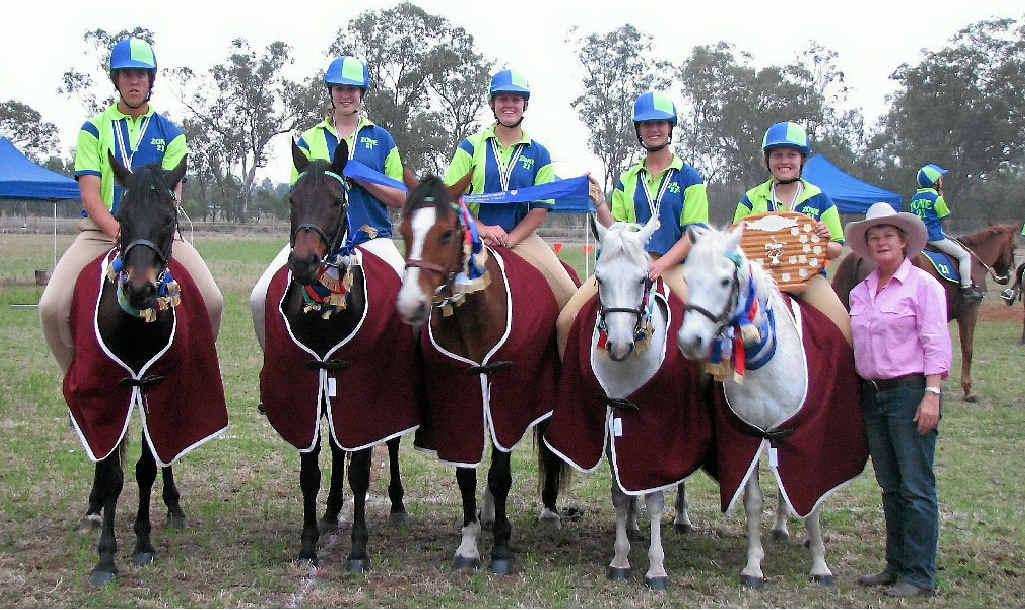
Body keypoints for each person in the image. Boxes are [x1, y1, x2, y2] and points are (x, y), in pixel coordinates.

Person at [39, 38, 222, 373]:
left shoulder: (172, 134)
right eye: (126, 74)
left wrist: (148, 232)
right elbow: (90, 194)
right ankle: (76, 379)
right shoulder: (94, 130)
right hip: (101, 231)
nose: (134, 82)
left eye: (141, 75)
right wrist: (119, 231)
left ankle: (193, 375)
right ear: (116, 79)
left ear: (151, 80)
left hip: (158, 236)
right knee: (51, 307)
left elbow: (173, 197)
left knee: (212, 302)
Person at [249, 56, 407, 349]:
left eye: (353, 89)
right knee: (259, 297)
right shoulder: (310, 139)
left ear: (362, 93)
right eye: (339, 88)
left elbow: (400, 197)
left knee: (408, 297)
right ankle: (275, 365)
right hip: (318, 239)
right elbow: (298, 193)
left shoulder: (382, 139)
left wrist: (361, 178)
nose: (346, 95)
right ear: (330, 92)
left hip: (373, 238)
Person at [845, 201, 951, 598]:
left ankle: (919, 574)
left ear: (903, 241)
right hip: (873, 396)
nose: (881, 242)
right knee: (890, 484)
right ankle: (896, 564)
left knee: (916, 485)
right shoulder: (860, 293)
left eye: (888, 235)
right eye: (874, 237)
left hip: (910, 393)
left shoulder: (924, 287)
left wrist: (932, 394)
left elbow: (935, 342)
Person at [556, 91, 708, 357]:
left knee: (704, 329)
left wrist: (660, 265)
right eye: (647, 124)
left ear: (670, 127)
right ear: (639, 130)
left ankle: (708, 385)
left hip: (671, 265)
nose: (653, 129)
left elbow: (694, 233)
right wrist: (600, 203)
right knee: (566, 320)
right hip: (625, 265)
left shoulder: (689, 177)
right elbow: (617, 230)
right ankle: (570, 381)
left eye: (659, 123)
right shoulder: (628, 179)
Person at [443, 69, 577, 310]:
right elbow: (452, 199)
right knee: (431, 290)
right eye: (503, 98)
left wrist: (510, 239)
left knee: (569, 296)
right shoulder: (471, 146)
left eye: (516, 99)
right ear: (492, 104)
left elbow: (540, 209)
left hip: (521, 238)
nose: (509, 105)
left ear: (525, 105)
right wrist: (483, 229)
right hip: (471, 234)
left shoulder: (539, 153)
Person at [734, 121, 851, 344]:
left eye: (791, 155)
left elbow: (836, 249)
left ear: (802, 160)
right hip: (760, 280)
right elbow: (737, 246)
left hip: (809, 279)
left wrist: (821, 241)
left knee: (844, 327)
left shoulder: (820, 198)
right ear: (768, 160)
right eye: (777, 155)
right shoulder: (751, 199)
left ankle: (853, 367)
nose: (784, 161)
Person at [907, 164, 984, 303]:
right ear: (934, 182)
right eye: (939, 178)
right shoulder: (936, 198)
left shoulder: (914, 198)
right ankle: (967, 289)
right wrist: (941, 197)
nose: (941, 180)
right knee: (964, 256)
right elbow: (944, 216)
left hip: (918, 238)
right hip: (934, 238)